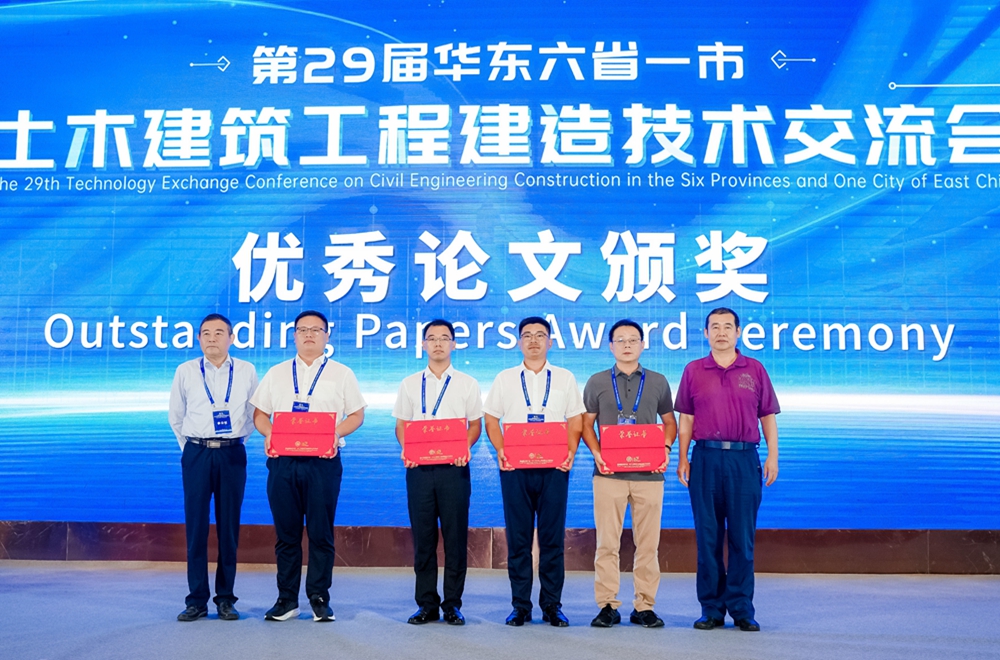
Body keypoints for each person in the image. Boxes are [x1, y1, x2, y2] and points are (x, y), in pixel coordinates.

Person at [250, 310, 366, 623]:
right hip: (283, 463)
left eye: (316, 330)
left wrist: (334, 434)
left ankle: (319, 598)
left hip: (323, 463)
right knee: (286, 534)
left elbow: (357, 415)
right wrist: (270, 433)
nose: (309, 335)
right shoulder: (277, 372)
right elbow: (259, 414)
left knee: (320, 533)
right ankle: (286, 599)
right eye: (303, 330)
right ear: (294, 336)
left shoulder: (342, 373)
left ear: (327, 336)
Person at [675, 307, 780, 632]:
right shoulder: (693, 370)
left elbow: (767, 416)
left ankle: (742, 608)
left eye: (727, 327)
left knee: (742, 539)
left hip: (744, 460)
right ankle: (711, 609)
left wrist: (773, 456)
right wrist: (682, 457)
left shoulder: (755, 369)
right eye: (715, 327)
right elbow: (686, 419)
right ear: (705, 333)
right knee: (707, 538)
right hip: (705, 459)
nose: (721, 332)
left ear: (738, 332)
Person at [483, 316, 585, 627]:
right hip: (515, 468)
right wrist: (501, 449)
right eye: (527, 335)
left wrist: (570, 452)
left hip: (554, 468)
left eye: (540, 335)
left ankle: (552, 605)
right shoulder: (505, 378)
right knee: (519, 540)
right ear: (518, 342)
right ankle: (520, 606)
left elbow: (576, 419)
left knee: (552, 540)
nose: (533, 341)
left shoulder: (565, 378)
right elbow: (491, 419)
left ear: (550, 342)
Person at [580, 319, 676, 629]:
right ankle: (608, 605)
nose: (626, 345)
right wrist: (597, 454)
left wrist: (665, 449)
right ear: (611, 346)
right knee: (607, 544)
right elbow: (586, 424)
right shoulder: (596, 381)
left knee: (648, 545)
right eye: (620, 340)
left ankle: (644, 606)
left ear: (643, 345)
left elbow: (670, 422)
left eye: (633, 339)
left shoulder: (658, 381)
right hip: (608, 475)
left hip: (650, 475)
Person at [392, 319, 482, 626]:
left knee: (455, 538)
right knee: (424, 538)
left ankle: (453, 604)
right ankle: (426, 604)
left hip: (454, 470)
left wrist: (464, 447)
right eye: (432, 338)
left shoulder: (467, 383)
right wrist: (407, 449)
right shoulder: (409, 383)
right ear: (423, 344)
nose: (438, 343)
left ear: (454, 344)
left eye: (445, 338)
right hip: (419, 469)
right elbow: (402, 425)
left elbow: (475, 425)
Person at [169, 313, 258, 622]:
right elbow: (176, 416)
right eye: (206, 333)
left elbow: (253, 415)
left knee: (228, 528)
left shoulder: (246, 370)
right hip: (196, 453)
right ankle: (196, 600)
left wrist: (233, 441)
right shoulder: (185, 371)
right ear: (198, 339)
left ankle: (225, 599)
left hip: (232, 454)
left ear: (231, 338)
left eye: (219, 333)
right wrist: (193, 448)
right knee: (195, 528)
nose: (211, 338)